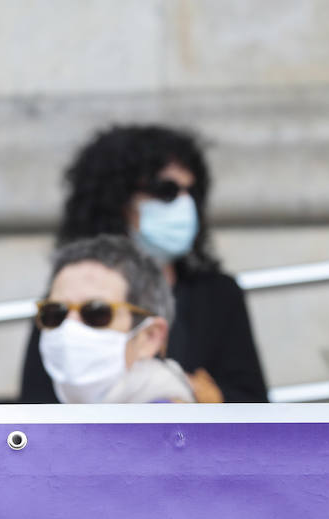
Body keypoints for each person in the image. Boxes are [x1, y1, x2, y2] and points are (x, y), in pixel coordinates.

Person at [17, 124, 267, 404]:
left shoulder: (218, 293)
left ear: (153, 335)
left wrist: (186, 397)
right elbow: (36, 405)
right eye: (166, 190)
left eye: (190, 192)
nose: (183, 204)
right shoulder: (65, 300)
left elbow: (251, 403)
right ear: (117, 199)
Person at [37, 234, 216, 404]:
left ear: (149, 337)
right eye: (55, 313)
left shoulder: (170, 425)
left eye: (96, 313)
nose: (70, 327)